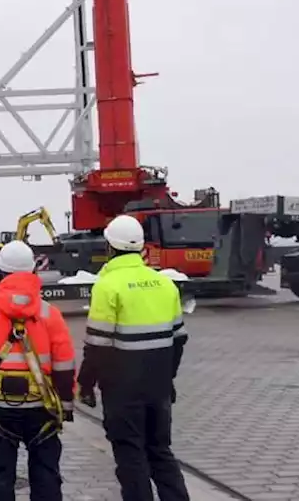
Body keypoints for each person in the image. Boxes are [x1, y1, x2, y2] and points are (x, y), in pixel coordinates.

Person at [77, 214, 190, 501]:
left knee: (131, 456)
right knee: (160, 452)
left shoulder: (107, 285)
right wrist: (168, 380)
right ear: (140, 247)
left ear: (109, 247)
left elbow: (97, 345)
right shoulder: (165, 284)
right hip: (158, 386)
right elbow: (179, 340)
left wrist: (86, 384)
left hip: (122, 390)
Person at [0, 240, 75, 501]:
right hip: (41, 409)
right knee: (46, 479)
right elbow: (64, 365)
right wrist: (66, 406)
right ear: (33, 271)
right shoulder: (49, 313)